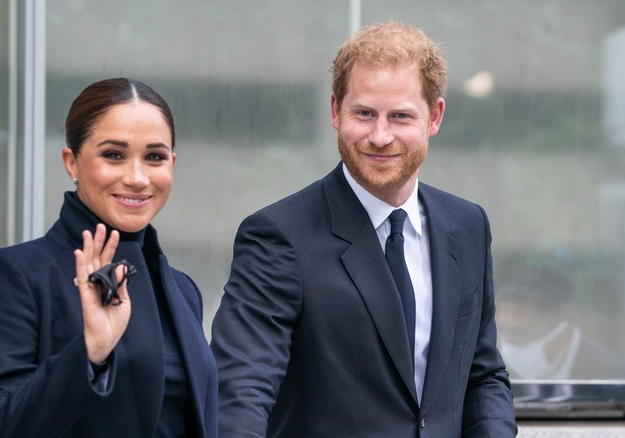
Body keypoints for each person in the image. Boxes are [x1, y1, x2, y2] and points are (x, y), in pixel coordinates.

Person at [210, 21, 516, 437]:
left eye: (401, 116)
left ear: (434, 117)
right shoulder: (277, 236)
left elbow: (482, 376)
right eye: (364, 113)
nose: (380, 135)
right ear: (336, 111)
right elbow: (240, 391)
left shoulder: (467, 225)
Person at [0, 78, 217, 437]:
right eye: (114, 155)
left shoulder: (182, 289)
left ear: (172, 164)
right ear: (72, 162)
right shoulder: (12, 275)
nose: (137, 177)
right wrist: (91, 351)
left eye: (154, 157)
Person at [497, 265, 625, 380]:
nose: (509, 344)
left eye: (520, 332)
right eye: (502, 330)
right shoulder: (499, 378)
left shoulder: (610, 380)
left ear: (563, 331)